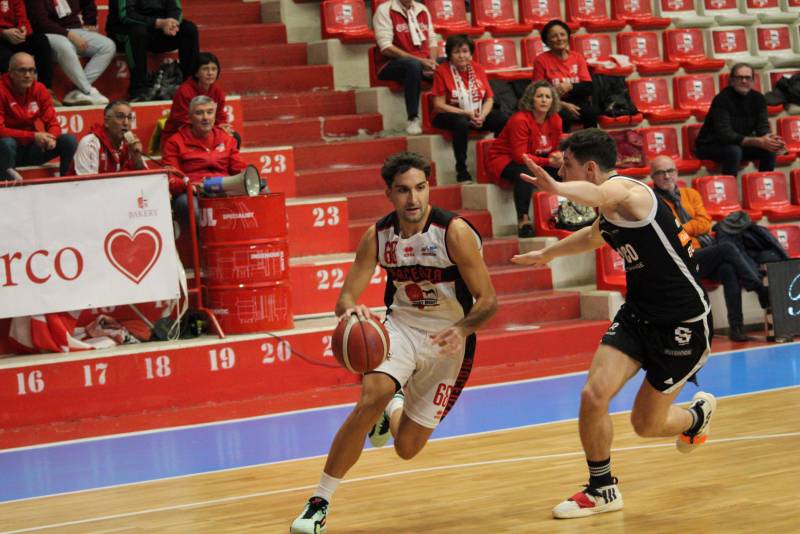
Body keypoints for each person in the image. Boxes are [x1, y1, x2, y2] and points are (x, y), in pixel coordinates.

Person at [512, 129, 716, 519]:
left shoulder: (630, 191)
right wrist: (548, 254)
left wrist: (555, 186)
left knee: (646, 424)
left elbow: (605, 195)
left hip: (684, 323)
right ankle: (602, 488)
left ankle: (696, 416)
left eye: (566, 164)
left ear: (589, 168)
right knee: (593, 395)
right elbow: (593, 235)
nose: (560, 168)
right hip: (638, 315)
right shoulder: (609, 212)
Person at [290, 151, 498, 534]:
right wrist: (353, 313)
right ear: (389, 193)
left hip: (449, 341)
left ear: (429, 188)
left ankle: (395, 407)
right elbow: (345, 299)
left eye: (420, 188)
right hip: (400, 328)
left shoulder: (454, 232)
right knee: (370, 398)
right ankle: (319, 502)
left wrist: (463, 329)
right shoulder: (378, 235)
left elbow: (489, 301)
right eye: (403, 191)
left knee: (407, 448)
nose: (413, 199)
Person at [649, 156, 771, 342]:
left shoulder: (691, 194)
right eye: (660, 173)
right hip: (678, 258)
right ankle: (759, 288)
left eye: (670, 171)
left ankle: (736, 329)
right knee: (727, 248)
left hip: (701, 254)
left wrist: (684, 227)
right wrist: (689, 226)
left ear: (676, 172)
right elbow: (671, 233)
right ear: (653, 177)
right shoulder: (654, 202)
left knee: (728, 269)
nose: (666, 176)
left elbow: (705, 223)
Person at [487, 80, 563, 237]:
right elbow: (519, 157)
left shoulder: (555, 119)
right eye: (539, 96)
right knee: (525, 172)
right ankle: (524, 221)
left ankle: (569, 212)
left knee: (567, 169)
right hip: (504, 160)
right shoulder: (520, 120)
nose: (544, 100)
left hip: (535, 158)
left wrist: (557, 157)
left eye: (548, 97)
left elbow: (554, 148)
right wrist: (549, 161)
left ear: (553, 100)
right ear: (531, 99)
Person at [431, 34, 506, 184]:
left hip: (475, 112)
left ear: (471, 53)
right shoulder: (442, 71)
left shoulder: (477, 68)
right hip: (449, 114)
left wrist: (482, 116)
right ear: (450, 55)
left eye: (465, 51)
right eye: (456, 52)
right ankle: (461, 170)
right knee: (461, 123)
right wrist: (466, 113)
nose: (461, 56)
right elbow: (438, 105)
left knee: (502, 119)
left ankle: (498, 162)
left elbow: (489, 99)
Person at [162, 95, 246, 223]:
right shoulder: (174, 142)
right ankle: (204, 243)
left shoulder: (227, 139)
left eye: (209, 112)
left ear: (214, 116)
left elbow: (239, 169)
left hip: (224, 187)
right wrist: (187, 185)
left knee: (263, 190)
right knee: (188, 205)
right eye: (199, 113)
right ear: (190, 118)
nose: (205, 117)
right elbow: (171, 180)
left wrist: (250, 178)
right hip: (193, 193)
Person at [694, 63, 786, 177]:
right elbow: (725, 134)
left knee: (770, 150)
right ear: (732, 80)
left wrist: (772, 140)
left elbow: (763, 128)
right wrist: (757, 141)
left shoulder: (759, 99)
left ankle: (762, 183)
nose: (744, 81)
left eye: (747, 78)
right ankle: (730, 190)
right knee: (734, 151)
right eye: (739, 77)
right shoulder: (721, 99)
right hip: (711, 145)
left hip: (739, 144)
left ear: (753, 81)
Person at [0, 52, 76, 180]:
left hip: (29, 149)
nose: (28, 75)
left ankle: (68, 184)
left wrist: (51, 138)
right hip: (5, 151)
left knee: (68, 140)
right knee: (7, 143)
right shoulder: (1, 90)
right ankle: (7, 188)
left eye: (32, 70)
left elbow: (53, 123)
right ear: (11, 73)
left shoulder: (39, 89)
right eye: (22, 70)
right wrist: (33, 136)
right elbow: (1, 130)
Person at [106, 0, 199, 102]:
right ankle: (138, 88)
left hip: (159, 30)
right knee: (138, 31)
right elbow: (126, 15)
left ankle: (190, 85)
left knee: (189, 29)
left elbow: (176, 9)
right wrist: (158, 23)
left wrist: (172, 22)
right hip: (126, 31)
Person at [26, 0, 115, 105]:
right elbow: (40, 22)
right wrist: (69, 35)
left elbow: (88, 3)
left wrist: (90, 21)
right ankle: (88, 90)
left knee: (108, 46)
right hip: (47, 33)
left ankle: (78, 91)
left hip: (74, 30)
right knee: (65, 46)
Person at [373, 0, 437, 135]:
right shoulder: (384, 10)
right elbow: (385, 48)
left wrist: (432, 62)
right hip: (390, 63)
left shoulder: (422, 9)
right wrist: (420, 61)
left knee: (451, 63)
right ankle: (413, 118)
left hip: (422, 60)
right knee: (412, 65)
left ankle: (449, 115)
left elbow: (432, 41)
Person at [160, 52, 236, 150]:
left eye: (214, 69)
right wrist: (212, 130)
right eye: (205, 69)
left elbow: (220, 117)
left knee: (233, 138)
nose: (210, 73)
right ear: (196, 72)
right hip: (183, 134)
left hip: (207, 131)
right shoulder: (184, 91)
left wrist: (223, 127)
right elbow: (182, 121)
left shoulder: (218, 91)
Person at [533, 19, 598, 132]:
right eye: (554, 36)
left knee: (591, 113)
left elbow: (588, 87)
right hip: (552, 103)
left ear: (568, 37)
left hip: (577, 100)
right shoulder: (540, 60)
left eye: (562, 34)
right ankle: (561, 149)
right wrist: (561, 104)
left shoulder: (577, 57)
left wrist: (569, 86)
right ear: (547, 41)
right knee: (563, 117)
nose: (559, 39)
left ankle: (590, 147)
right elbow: (538, 91)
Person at [73, 100, 146, 175]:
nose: (126, 123)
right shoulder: (90, 144)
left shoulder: (131, 145)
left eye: (129, 117)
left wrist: (137, 157)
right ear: (106, 121)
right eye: (120, 117)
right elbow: (87, 184)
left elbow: (145, 180)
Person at [0, 0, 53, 92]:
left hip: (14, 34)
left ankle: (45, 90)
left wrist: (23, 30)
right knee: (5, 55)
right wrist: (2, 33)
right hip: (1, 36)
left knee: (41, 41)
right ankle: (12, 93)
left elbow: (22, 19)